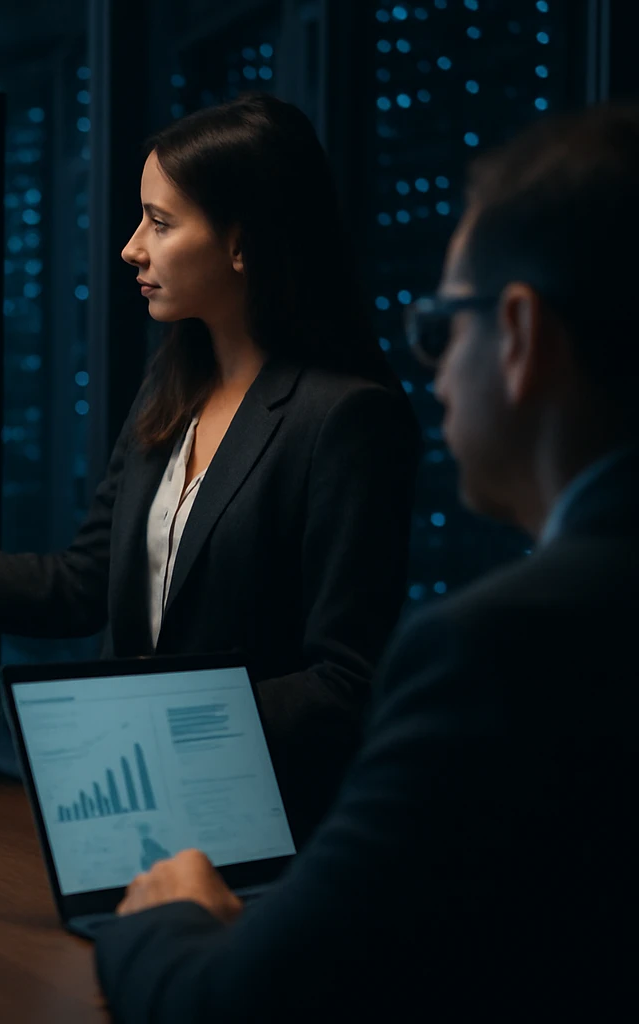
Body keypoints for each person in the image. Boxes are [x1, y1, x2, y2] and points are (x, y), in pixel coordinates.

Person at [91, 105, 639, 1022]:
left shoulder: (492, 654)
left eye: (441, 324)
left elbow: (224, 1000)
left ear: (519, 334)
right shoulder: (173, 382)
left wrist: (166, 917)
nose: (430, 372)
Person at [0, 93, 420, 839]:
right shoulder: (172, 385)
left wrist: (157, 726)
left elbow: (346, 683)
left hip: (266, 838)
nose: (132, 247)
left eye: (160, 224)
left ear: (242, 242)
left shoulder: (347, 419)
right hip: (130, 824)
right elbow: (82, 587)